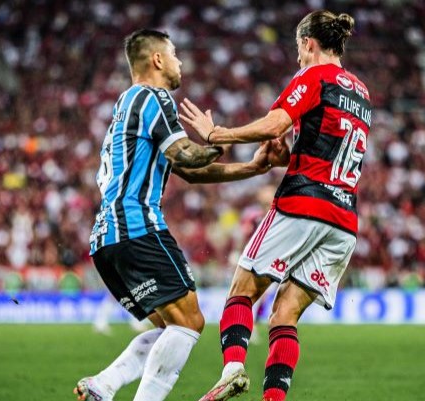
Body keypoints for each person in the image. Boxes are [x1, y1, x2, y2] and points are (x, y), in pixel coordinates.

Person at [74, 29, 282, 401]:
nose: (180, 62)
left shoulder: (126, 105)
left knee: (174, 325)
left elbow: (189, 171)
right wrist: (219, 136)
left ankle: (103, 385)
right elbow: (186, 155)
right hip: (137, 225)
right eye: (174, 54)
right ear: (156, 59)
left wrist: (253, 168)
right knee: (190, 322)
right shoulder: (153, 96)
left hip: (107, 239)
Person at [180, 10, 371, 401]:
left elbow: (274, 124)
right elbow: (329, 150)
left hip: (304, 205)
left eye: (298, 49)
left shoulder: (314, 76)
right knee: (285, 315)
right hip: (344, 219)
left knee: (241, 292)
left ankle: (232, 369)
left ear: (308, 43)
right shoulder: (361, 92)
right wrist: (286, 156)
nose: (297, 58)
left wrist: (218, 134)